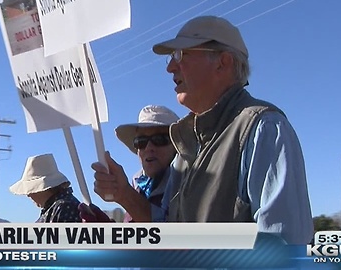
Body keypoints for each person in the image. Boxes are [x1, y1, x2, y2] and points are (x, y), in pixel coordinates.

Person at [92, 16, 314, 245]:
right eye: (171, 57)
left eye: (181, 54)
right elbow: (171, 236)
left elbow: (284, 248)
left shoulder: (263, 129)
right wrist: (124, 195)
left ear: (223, 62)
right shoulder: (187, 145)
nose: (170, 67)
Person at [81, 105, 179, 222]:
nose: (149, 148)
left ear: (177, 146)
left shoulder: (187, 183)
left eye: (159, 139)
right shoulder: (137, 185)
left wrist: (125, 195)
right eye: (141, 142)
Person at [9, 153, 81, 222]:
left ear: (44, 189)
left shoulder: (64, 207)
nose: (28, 195)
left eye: (32, 189)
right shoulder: (56, 207)